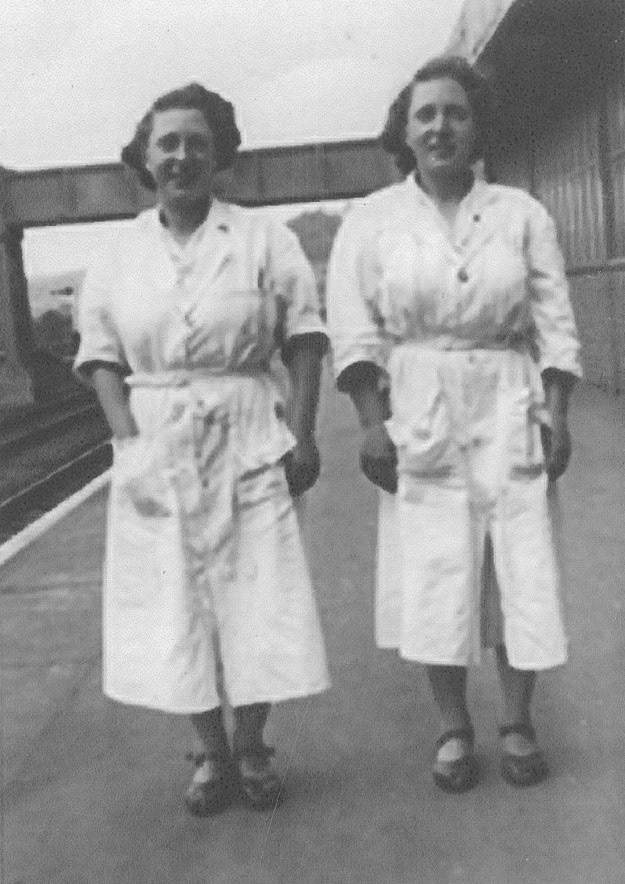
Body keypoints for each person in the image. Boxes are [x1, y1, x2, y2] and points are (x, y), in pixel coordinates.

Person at [326, 56, 581, 793]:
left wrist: (557, 414)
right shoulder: (371, 220)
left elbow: (554, 322)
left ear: (477, 127)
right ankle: (452, 726)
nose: (440, 127)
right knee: (435, 570)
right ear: (404, 131)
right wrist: (372, 424)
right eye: (425, 115)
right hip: (419, 404)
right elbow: (354, 333)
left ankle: (517, 721)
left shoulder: (521, 213)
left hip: (508, 397)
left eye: (456, 113)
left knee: (520, 566)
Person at [74, 83, 330, 815]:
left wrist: (304, 432)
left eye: (196, 142)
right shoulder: (119, 253)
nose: (181, 156)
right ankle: (210, 753)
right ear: (145, 158)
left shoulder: (263, 240)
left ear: (219, 156)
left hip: (248, 428)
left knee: (258, 597)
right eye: (168, 143)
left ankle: (250, 745)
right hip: (155, 434)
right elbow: (100, 356)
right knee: (175, 602)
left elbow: (305, 338)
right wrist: (128, 441)